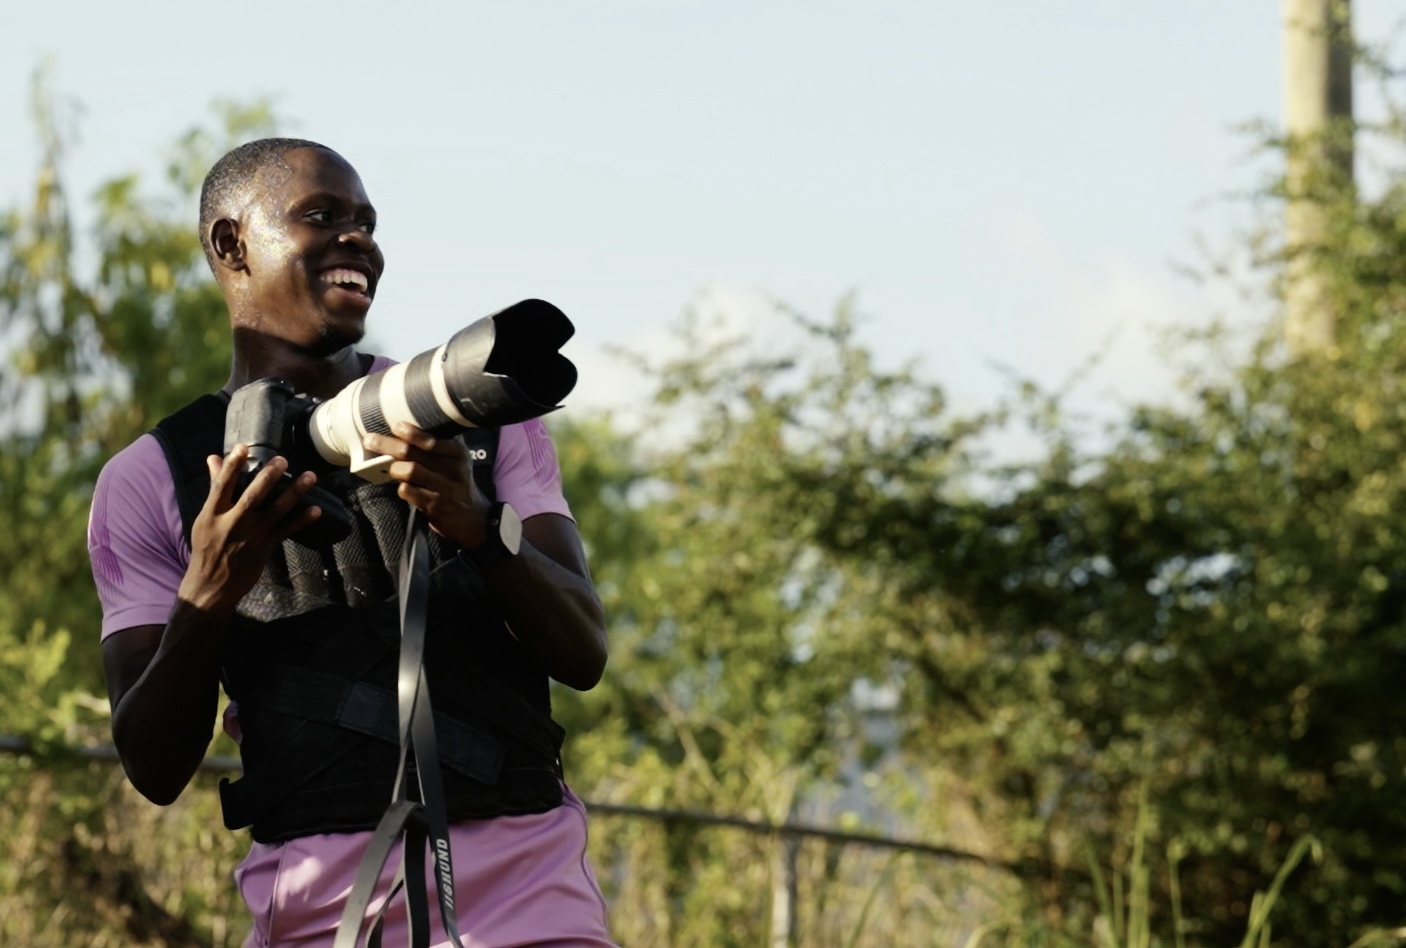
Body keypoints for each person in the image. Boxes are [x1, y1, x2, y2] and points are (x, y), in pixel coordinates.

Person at [86, 138, 615, 947]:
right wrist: (210, 590)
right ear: (232, 244)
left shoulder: (477, 417)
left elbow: (584, 653)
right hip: (318, 912)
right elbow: (153, 769)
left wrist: (478, 526)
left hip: (529, 896)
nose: (358, 240)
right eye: (321, 215)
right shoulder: (150, 477)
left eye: (368, 223)